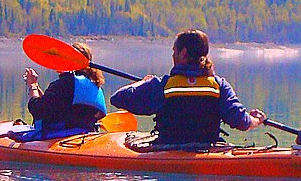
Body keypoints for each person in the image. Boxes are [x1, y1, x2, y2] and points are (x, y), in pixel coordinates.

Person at [109, 29, 265, 146]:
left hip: (167, 150)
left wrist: (142, 82)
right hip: (208, 151)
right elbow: (242, 122)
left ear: (183, 53)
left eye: (174, 52)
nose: (173, 56)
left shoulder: (162, 86)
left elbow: (117, 98)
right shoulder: (219, 86)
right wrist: (256, 120)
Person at [21, 42, 106, 139]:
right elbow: (55, 104)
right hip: (86, 132)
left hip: (62, 134)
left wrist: (32, 85)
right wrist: (36, 85)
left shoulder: (65, 84)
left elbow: (38, 109)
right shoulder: (93, 82)